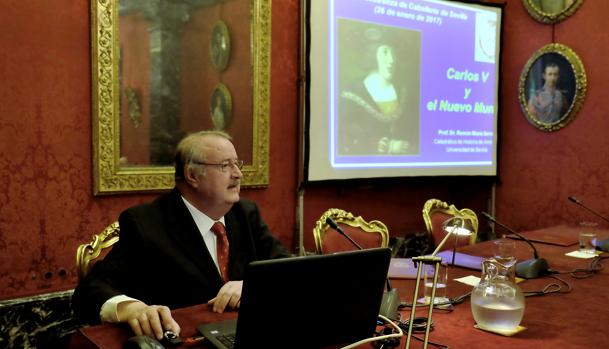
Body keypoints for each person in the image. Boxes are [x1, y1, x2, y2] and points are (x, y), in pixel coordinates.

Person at [73, 130, 290, 341]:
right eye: (225, 165)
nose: (238, 173)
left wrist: (251, 285)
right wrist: (132, 308)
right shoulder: (146, 224)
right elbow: (90, 291)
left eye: (237, 163)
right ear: (192, 175)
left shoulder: (245, 214)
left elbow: (287, 267)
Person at [338, 33, 415, 155]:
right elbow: (345, 137)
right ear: (372, 55)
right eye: (385, 52)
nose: (392, 60)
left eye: (394, 53)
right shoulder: (352, 93)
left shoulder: (403, 91)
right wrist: (386, 147)